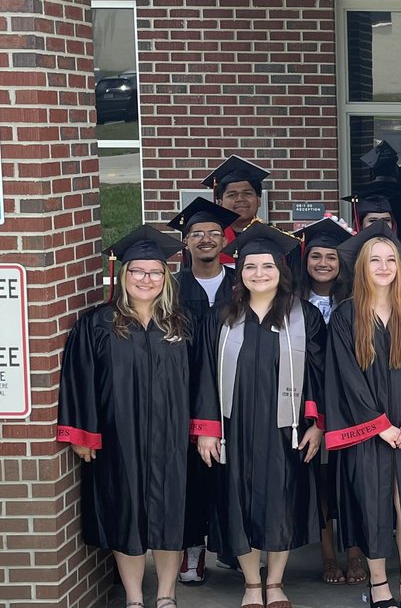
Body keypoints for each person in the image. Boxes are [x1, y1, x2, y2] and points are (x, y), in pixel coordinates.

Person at [57, 225, 192, 608]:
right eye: (137, 271)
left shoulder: (182, 323)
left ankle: (166, 594)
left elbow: (202, 380)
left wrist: (204, 429)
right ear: (123, 274)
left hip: (171, 437)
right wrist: (83, 434)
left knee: (170, 513)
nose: (145, 279)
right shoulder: (97, 324)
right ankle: (134, 597)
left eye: (154, 272)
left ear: (165, 277)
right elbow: (79, 378)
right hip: (119, 436)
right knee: (124, 513)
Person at [193, 222, 326, 608]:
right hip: (233, 429)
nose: (259, 273)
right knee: (238, 503)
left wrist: (317, 424)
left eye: (267, 266)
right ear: (240, 273)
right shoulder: (221, 317)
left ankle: (275, 582)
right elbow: (204, 373)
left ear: (281, 271)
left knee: (280, 502)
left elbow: (320, 374)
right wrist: (206, 429)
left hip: (286, 428)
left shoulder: (303, 316)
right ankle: (252, 583)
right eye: (250, 267)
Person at [324, 222, 401, 608]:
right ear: (361, 266)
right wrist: (379, 425)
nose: (384, 266)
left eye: (391, 259)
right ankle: (379, 584)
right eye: (375, 259)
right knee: (373, 504)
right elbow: (346, 376)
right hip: (368, 430)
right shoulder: (346, 316)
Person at [166, 197, 238, 585]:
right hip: (186, 394)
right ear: (186, 242)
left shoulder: (241, 282)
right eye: (197, 234)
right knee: (192, 476)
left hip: (237, 393)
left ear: (224, 240)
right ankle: (192, 550)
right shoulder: (171, 287)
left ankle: (233, 546)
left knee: (233, 473)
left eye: (213, 233)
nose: (206, 239)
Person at [297, 217, 366, 587]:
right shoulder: (293, 302)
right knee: (320, 483)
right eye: (316, 256)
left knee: (351, 481)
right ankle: (327, 554)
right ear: (305, 259)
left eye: (331, 257)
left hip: (349, 403)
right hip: (307, 404)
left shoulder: (354, 301)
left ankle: (354, 553)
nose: (323, 263)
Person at [201, 155, 271, 260]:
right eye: (232, 195)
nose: (240, 199)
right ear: (220, 203)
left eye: (247, 193)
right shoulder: (205, 243)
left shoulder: (276, 239)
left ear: (259, 200)